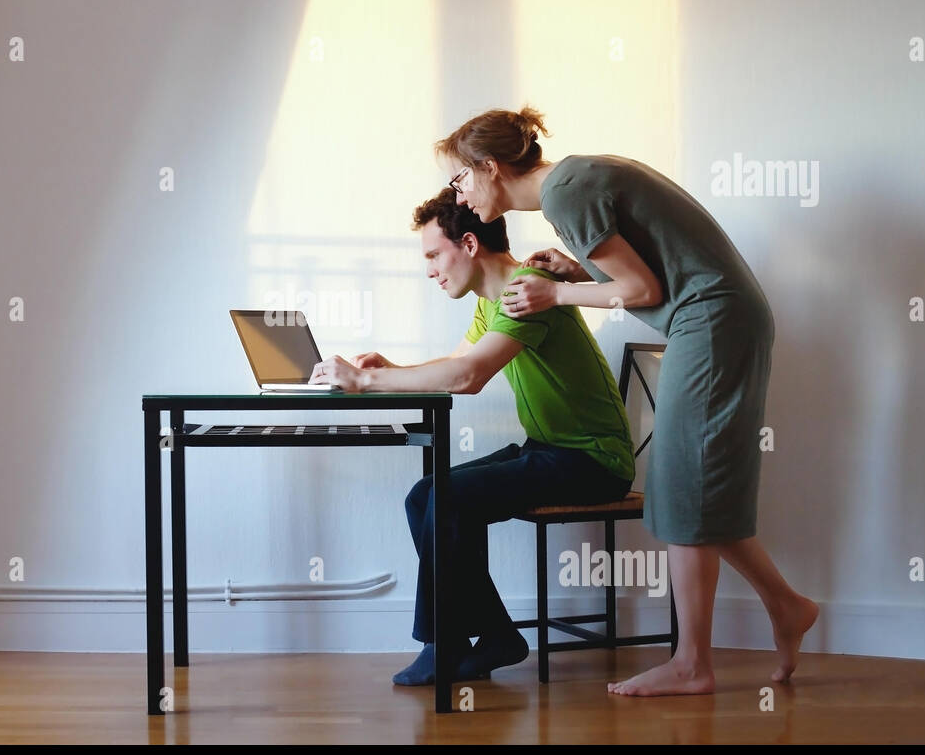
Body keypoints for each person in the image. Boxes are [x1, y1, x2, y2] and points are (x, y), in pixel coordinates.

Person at [435, 106, 818, 696]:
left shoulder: (567, 194)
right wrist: (575, 268)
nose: (457, 191)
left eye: (461, 177)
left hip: (710, 322)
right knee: (691, 487)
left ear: (491, 166)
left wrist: (556, 293)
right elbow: (642, 271)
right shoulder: (576, 179)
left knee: (682, 488)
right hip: (715, 319)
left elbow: (642, 290)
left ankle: (693, 664)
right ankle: (786, 606)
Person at [309, 190, 635, 685]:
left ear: (468, 243)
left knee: (447, 496)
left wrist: (366, 382)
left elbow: (468, 378)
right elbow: (454, 367)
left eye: (433, 255)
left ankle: (443, 643)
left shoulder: (531, 290)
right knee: (425, 496)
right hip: (551, 450)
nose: (429, 270)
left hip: (593, 461)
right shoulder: (493, 302)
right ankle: (491, 635)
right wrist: (393, 368)